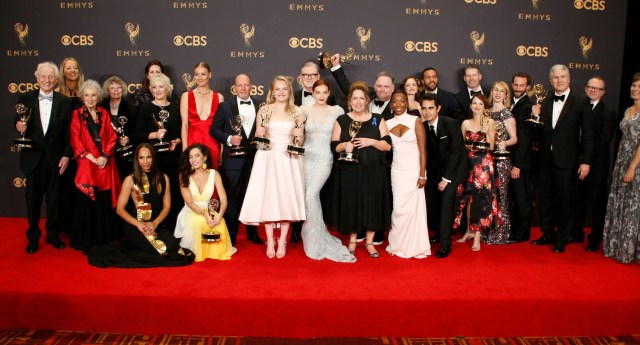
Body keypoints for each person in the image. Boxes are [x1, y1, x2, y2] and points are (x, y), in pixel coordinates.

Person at [86, 143, 195, 268]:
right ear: (137, 160)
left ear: (153, 158)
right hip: (136, 226)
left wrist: (155, 223)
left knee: (174, 248)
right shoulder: (130, 179)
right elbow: (120, 210)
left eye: (148, 157)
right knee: (162, 251)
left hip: (155, 225)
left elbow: (167, 207)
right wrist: (138, 224)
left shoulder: (164, 178)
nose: (145, 161)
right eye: (141, 158)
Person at [239, 76, 306, 258]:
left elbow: (299, 142)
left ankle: (282, 240)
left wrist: (298, 136)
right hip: (267, 157)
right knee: (268, 198)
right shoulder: (264, 110)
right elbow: (259, 139)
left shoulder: (298, 112)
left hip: (288, 158)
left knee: (285, 199)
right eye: (278, 89)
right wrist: (260, 133)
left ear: (289, 91)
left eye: (285, 89)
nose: (281, 92)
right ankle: (270, 239)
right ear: (272, 91)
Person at [530, 64, 594, 253]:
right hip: (545, 159)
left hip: (568, 161)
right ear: (551, 81)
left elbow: (588, 135)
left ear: (569, 79)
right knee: (546, 199)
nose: (559, 80)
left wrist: (586, 161)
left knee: (566, 200)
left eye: (563, 77)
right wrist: (535, 118)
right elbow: (539, 133)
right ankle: (547, 233)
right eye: (556, 77)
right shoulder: (546, 99)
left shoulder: (581, 101)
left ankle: (562, 238)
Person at [327, 81, 392, 258]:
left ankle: (370, 243)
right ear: (349, 101)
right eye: (354, 98)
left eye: (361, 98)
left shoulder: (377, 119)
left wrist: (371, 142)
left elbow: (387, 146)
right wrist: (345, 145)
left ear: (367, 100)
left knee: (373, 205)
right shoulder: (342, 120)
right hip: (350, 171)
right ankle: (353, 241)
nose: (358, 101)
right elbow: (334, 145)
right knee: (352, 204)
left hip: (374, 172)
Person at [14, 61, 72, 254]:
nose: (47, 80)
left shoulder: (64, 101)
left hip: (55, 161)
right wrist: (18, 127)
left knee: (54, 201)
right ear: (37, 78)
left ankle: (53, 235)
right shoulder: (25, 97)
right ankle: (32, 238)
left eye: (50, 77)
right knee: (32, 202)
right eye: (43, 76)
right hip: (33, 159)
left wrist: (66, 155)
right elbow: (19, 120)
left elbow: (68, 134)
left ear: (56, 79)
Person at [300, 80, 355, 262]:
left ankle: (318, 239)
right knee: (308, 197)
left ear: (329, 92)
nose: (322, 96)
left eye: (325, 92)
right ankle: (311, 237)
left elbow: (345, 132)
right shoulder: (303, 110)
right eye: (318, 92)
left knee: (310, 195)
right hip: (306, 157)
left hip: (325, 158)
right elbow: (298, 134)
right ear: (313, 93)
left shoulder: (337, 111)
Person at [210, 74, 264, 246]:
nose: (242, 88)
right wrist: (228, 139)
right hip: (232, 160)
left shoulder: (260, 105)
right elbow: (214, 129)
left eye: (246, 85)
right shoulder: (225, 106)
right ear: (234, 87)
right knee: (232, 198)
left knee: (253, 197)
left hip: (255, 159)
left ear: (251, 86)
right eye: (239, 85)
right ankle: (230, 235)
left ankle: (252, 232)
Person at [69, 80, 121, 250]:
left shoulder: (104, 113)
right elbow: (75, 139)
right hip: (87, 165)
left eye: (93, 95)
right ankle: (86, 240)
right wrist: (93, 158)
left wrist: (105, 156)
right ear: (82, 97)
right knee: (86, 204)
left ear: (98, 97)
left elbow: (112, 136)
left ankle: (103, 239)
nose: (90, 99)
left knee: (103, 203)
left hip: (105, 164)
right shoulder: (76, 115)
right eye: (87, 95)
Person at [572, 76, 617, 251]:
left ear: (603, 92)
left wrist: (586, 160)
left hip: (597, 165)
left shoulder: (608, 112)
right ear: (585, 88)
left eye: (596, 88)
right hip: (577, 163)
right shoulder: (578, 107)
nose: (592, 90)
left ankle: (594, 239)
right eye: (590, 87)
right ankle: (576, 233)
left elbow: (603, 141)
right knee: (578, 201)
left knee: (596, 204)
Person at [384, 90, 430, 259]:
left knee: (414, 210)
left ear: (407, 103)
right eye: (395, 102)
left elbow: (423, 151)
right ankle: (398, 244)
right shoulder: (386, 123)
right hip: (397, 171)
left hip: (414, 171)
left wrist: (422, 174)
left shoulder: (415, 121)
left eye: (402, 101)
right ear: (391, 104)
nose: (398, 105)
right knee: (398, 209)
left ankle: (415, 246)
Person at [422, 94, 468, 258]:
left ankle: (446, 244)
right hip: (436, 170)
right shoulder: (423, 126)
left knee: (446, 204)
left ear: (438, 108)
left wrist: (446, 179)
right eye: (424, 108)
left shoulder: (450, 123)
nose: (427, 112)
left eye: (431, 108)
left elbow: (456, 153)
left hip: (453, 170)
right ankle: (437, 233)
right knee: (431, 202)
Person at [136, 73, 182, 230]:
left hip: (172, 157)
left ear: (168, 88)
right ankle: (152, 226)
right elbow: (136, 135)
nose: (157, 90)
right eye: (154, 87)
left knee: (173, 193)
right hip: (152, 160)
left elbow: (180, 132)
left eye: (161, 86)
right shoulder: (146, 108)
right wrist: (154, 135)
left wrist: (178, 141)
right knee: (154, 194)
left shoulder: (175, 108)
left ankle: (172, 228)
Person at [603, 72, 640, 264]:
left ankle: (630, 249)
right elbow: (624, 139)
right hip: (622, 160)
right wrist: (618, 164)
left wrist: (632, 167)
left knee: (633, 206)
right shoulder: (628, 110)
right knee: (621, 202)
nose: (635, 89)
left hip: (636, 163)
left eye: (639, 87)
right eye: (634, 86)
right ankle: (617, 245)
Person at [454, 94, 498, 252]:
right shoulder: (465, 123)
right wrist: (473, 145)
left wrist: (486, 133)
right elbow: (461, 146)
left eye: (480, 104)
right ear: (470, 105)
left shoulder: (490, 122)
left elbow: (491, 147)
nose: (477, 106)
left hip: (484, 164)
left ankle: (477, 235)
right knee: (469, 198)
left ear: (485, 106)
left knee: (480, 199)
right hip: (469, 163)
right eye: (474, 103)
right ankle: (468, 231)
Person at [174, 144, 234, 261]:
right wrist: (205, 215)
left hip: (209, 211)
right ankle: (199, 252)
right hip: (191, 211)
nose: (193, 160)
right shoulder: (184, 175)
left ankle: (212, 252)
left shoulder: (214, 174)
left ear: (205, 157)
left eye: (197, 156)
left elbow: (223, 199)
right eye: (191, 157)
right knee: (199, 222)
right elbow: (190, 202)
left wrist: (220, 215)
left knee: (220, 222)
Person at [484, 81, 517, 245]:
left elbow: (514, 138)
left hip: (502, 160)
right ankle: (488, 231)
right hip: (487, 158)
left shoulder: (507, 114)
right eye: (495, 90)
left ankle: (501, 233)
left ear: (506, 95)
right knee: (488, 196)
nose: (498, 93)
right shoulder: (486, 113)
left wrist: (505, 143)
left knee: (501, 195)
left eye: (501, 91)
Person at [180, 62, 223, 168]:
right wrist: (185, 150)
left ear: (210, 74)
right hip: (192, 144)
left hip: (212, 143)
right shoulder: (186, 96)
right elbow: (185, 125)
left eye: (203, 74)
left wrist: (222, 150)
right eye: (197, 74)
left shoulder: (219, 97)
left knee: (212, 179)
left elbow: (222, 126)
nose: (199, 78)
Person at [508, 72, 534, 243]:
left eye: (521, 86)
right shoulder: (513, 103)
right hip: (513, 159)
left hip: (520, 162)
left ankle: (522, 233)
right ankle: (517, 230)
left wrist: (518, 165)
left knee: (522, 198)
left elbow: (524, 139)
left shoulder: (526, 106)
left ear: (528, 87)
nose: (518, 88)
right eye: (516, 85)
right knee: (515, 198)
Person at [101, 76, 140, 179]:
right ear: (107, 90)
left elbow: (137, 130)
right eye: (112, 88)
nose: (116, 90)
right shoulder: (101, 106)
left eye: (118, 87)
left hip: (124, 151)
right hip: (106, 149)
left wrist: (128, 138)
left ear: (122, 90)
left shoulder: (129, 106)